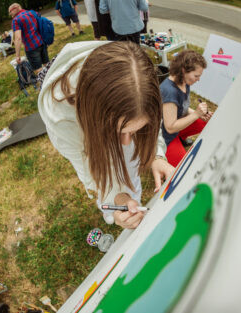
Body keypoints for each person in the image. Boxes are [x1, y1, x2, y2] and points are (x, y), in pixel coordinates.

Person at [38, 41, 174, 229]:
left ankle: (130, 196)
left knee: (129, 161)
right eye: (119, 132)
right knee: (108, 167)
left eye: (135, 130)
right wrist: (117, 198)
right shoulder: (61, 119)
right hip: (76, 121)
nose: (127, 143)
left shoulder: (136, 77)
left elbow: (150, 119)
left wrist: (156, 154)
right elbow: (90, 170)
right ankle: (113, 210)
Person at [161, 50, 213, 167]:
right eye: (196, 76)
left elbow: (182, 108)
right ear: (184, 70)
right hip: (166, 136)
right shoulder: (170, 92)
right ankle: (172, 145)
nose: (198, 79)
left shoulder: (184, 82)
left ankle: (181, 138)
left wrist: (199, 114)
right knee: (183, 167)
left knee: (204, 122)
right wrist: (195, 114)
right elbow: (169, 128)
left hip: (176, 126)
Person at [9, 3, 49, 73]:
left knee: (38, 69)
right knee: (47, 64)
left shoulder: (16, 20)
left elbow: (18, 38)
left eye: (10, 11)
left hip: (31, 48)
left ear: (16, 8)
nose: (10, 14)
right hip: (41, 42)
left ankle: (47, 82)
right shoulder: (32, 12)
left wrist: (17, 56)